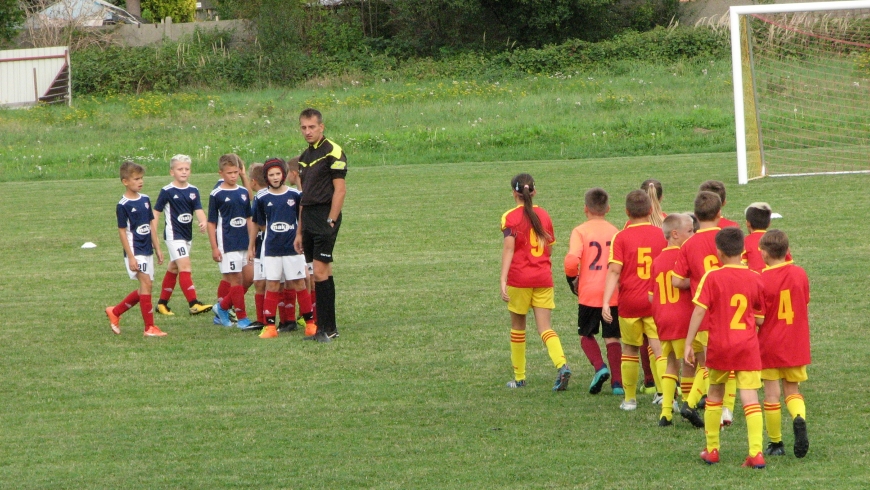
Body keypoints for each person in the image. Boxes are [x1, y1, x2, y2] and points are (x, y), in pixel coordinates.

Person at [684, 227, 766, 469]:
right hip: (747, 345)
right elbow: (760, 318)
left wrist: (689, 342)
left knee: (715, 395)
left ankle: (712, 450)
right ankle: (756, 453)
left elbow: (699, 309)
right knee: (750, 397)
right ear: (743, 250)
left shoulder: (712, 277)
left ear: (718, 252)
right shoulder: (755, 277)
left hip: (720, 344)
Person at [501, 173, 571, 390]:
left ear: (514, 193)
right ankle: (562, 364)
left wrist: (502, 279)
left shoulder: (509, 217)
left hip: (519, 279)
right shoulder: (544, 215)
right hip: (543, 277)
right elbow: (548, 248)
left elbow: (509, 248)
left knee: (518, 327)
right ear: (534, 191)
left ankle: (520, 378)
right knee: (545, 327)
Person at [672, 191, 737, 427]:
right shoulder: (729, 238)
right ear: (719, 213)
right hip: (727, 312)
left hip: (700, 313)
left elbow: (677, 281)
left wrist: (698, 280)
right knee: (721, 364)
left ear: (696, 217)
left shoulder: (689, 244)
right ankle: (704, 405)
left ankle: (716, 408)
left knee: (711, 363)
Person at [602, 190, 667, 410]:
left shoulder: (621, 236)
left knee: (629, 350)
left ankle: (629, 399)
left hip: (629, 302)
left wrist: (605, 301)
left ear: (627, 212)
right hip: (655, 301)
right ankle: (665, 396)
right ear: (651, 210)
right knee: (659, 350)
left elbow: (614, 270)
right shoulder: (661, 234)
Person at [563, 188, 622, 395]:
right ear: (608, 209)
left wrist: (573, 279)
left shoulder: (580, 231)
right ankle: (617, 383)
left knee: (585, 334)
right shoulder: (616, 231)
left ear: (585, 209)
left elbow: (571, 260)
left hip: (588, 291)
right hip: (612, 292)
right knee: (612, 336)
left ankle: (599, 367)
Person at [249, 158, 316, 339]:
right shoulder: (261, 197)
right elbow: (257, 223)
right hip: (271, 248)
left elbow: (301, 219)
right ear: (267, 177)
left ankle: (310, 323)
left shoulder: (294, 195)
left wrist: (299, 237)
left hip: (292, 247)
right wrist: (251, 246)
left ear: (284, 175)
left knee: (299, 282)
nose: (275, 177)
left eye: (278, 174)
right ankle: (270, 326)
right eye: (271, 175)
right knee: (272, 284)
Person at [294, 108, 346, 343]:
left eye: (312, 127)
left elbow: (340, 190)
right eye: (304, 127)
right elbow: (304, 196)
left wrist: (331, 219)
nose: (307, 131)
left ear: (321, 127)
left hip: (325, 215)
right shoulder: (304, 157)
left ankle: (329, 329)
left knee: (321, 272)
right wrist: (299, 230)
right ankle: (323, 327)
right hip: (309, 218)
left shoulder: (333, 151)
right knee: (318, 273)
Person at [758, 230, 811, 458]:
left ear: (764, 253)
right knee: (792, 389)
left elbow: (759, 317)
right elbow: (804, 301)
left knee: (771, 393)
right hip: (795, 342)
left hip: (769, 343)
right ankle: (798, 418)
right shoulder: (799, 273)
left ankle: (776, 443)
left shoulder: (760, 279)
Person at [105, 161, 167, 337]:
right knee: (146, 284)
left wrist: (157, 247)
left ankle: (115, 312)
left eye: (141, 178)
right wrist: (131, 257)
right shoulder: (123, 205)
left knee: (145, 288)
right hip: (135, 251)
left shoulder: (145, 199)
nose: (140, 182)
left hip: (147, 250)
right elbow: (122, 232)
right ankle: (150, 328)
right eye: (136, 179)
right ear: (125, 182)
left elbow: (150, 226)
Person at [649, 213, 698, 426]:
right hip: (682, 318)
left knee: (670, 363)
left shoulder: (657, 260)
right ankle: (688, 403)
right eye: (690, 231)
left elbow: (651, 295)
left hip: (662, 319)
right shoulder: (685, 256)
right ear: (675, 234)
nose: (694, 234)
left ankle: (666, 412)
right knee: (689, 363)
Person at [152, 154, 212, 317]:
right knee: (185, 266)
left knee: (174, 267)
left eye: (186, 169)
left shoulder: (193, 190)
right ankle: (194, 303)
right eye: (180, 169)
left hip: (187, 236)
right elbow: (156, 213)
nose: (184, 172)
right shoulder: (167, 191)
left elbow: (198, 209)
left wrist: (203, 221)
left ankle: (162, 304)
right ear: (172, 172)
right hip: (173, 235)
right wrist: (154, 234)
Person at [208, 153, 254, 329]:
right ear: (221, 174)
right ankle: (242, 318)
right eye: (229, 173)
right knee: (235, 279)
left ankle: (222, 307)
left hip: (244, 243)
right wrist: (214, 247)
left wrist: (251, 244)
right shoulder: (217, 194)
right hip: (227, 244)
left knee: (248, 277)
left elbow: (248, 219)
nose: (233, 176)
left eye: (236, 172)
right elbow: (212, 223)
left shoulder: (243, 192)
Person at [241, 162, 267, 331]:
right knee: (259, 281)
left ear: (253, 181)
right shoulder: (260, 196)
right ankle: (263, 319)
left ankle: (265, 319)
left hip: (267, 244)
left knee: (265, 283)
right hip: (260, 244)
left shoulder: (262, 197)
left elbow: (258, 223)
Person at [743, 202, 793, 272]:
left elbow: (742, 268)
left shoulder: (744, 242)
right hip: (776, 279)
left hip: (755, 281)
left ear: (748, 223)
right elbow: (788, 265)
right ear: (769, 223)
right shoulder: (777, 240)